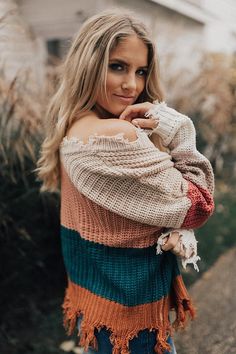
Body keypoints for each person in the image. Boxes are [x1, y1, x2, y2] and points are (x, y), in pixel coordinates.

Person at [36, 9, 215, 354]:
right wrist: (179, 128)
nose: (132, 85)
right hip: (132, 321)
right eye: (117, 66)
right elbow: (199, 205)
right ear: (87, 65)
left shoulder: (74, 126)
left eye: (141, 71)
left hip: (100, 309)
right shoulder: (113, 136)